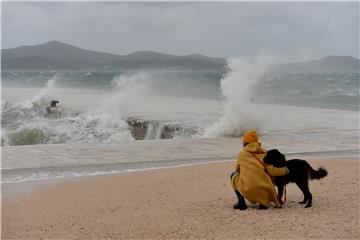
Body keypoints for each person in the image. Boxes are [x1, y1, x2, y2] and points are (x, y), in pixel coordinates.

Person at [230, 130, 289, 210]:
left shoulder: (242, 154)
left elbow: (237, 170)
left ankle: (241, 202)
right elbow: (272, 171)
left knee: (233, 175)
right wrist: (285, 170)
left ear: (245, 142)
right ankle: (263, 202)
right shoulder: (265, 153)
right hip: (265, 189)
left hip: (248, 190)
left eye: (243, 141)